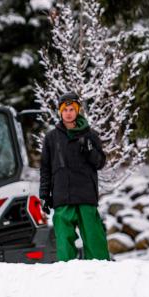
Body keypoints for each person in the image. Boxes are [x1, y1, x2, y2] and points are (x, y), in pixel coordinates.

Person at [39, 92, 109, 261]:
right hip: (62, 197)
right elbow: (46, 169)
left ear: (78, 111)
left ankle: (101, 273)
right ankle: (68, 277)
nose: (68, 113)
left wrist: (90, 149)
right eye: (65, 110)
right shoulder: (51, 138)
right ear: (60, 112)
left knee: (95, 240)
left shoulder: (90, 135)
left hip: (86, 196)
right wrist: (44, 195)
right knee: (64, 242)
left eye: (72, 109)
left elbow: (99, 163)